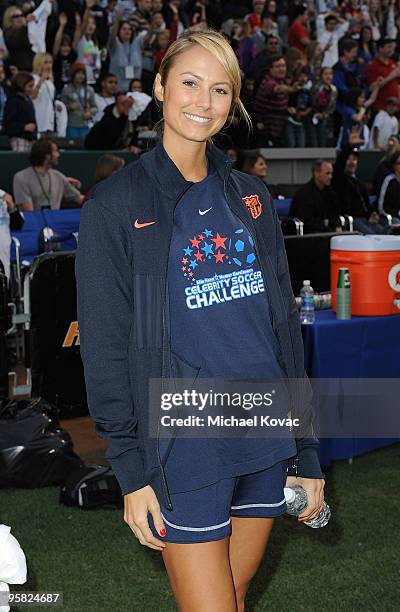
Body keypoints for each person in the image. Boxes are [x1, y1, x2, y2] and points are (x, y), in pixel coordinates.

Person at [75, 28, 324, 612]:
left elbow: (283, 332)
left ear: (232, 103)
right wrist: (132, 471)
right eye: (189, 83)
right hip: (184, 441)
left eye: (218, 90)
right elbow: (108, 346)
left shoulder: (252, 198)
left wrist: (305, 452)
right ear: (160, 86)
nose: (202, 102)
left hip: (264, 429)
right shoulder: (116, 206)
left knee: (231, 599)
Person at [333, 127, 389, 234]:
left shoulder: (360, 184)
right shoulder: (339, 179)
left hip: (365, 220)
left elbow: (367, 206)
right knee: (372, 237)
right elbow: (338, 165)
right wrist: (349, 145)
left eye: (354, 159)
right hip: (350, 220)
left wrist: (372, 214)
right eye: (349, 159)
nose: (352, 162)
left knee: (386, 233)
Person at [13, 138, 83, 211]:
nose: (58, 155)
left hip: (56, 221)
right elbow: (29, 212)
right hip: (35, 221)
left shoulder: (58, 176)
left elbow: (80, 199)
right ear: (47, 156)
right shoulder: (21, 178)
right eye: (55, 151)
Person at [255, 55, 301, 146]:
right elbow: (277, 89)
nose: (282, 69)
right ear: (270, 69)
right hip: (266, 131)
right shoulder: (267, 82)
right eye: (278, 66)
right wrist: (292, 89)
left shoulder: (281, 81)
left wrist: (287, 108)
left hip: (278, 129)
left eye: (283, 66)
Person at [289, 159, 343, 233]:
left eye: (331, 173)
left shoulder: (331, 193)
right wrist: (328, 225)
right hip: (308, 234)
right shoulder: (304, 194)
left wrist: (337, 226)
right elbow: (307, 221)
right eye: (327, 173)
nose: (330, 177)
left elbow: (335, 214)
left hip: (327, 232)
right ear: (316, 173)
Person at [60, 62, 97, 138]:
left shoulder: (90, 90)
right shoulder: (66, 90)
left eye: (83, 74)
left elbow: (95, 107)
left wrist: (90, 112)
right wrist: (70, 107)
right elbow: (61, 108)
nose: (81, 76)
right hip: (72, 124)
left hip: (85, 124)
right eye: (78, 73)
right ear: (73, 75)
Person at [2, 71, 37, 151]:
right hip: (19, 139)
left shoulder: (28, 101)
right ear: (22, 85)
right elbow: (7, 124)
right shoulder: (13, 101)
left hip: (31, 139)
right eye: (30, 86)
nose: (32, 89)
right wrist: (23, 127)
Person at [366, 39, 400, 112]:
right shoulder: (373, 66)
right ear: (380, 49)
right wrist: (390, 77)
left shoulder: (394, 63)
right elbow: (371, 88)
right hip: (380, 107)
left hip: (395, 107)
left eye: (392, 48)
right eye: (389, 47)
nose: (391, 50)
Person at [2, 5, 35, 71]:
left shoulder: (26, 30)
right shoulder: (7, 32)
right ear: (9, 19)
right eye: (16, 16)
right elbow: (14, 43)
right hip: (18, 69)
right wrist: (24, 26)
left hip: (32, 66)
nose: (20, 18)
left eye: (21, 15)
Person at [31, 52, 56, 136]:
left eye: (50, 62)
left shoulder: (50, 82)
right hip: (38, 119)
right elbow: (32, 96)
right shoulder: (33, 78)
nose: (49, 65)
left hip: (49, 120)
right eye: (45, 63)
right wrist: (40, 81)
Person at [377, 148, 400, 221]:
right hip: (389, 218)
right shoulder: (389, 180)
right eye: (399, 162)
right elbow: (381, 207)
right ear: (394, 165)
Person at [0, 188, 14, 282]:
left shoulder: (4, 195)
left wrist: (11, 206)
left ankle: (5, 291)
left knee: (5, 265)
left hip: (3, 229)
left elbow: (9, 199)